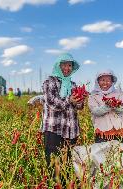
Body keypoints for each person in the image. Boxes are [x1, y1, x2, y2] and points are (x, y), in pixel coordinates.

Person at [42, 53, 86, 184]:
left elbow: (79, 106)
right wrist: (70, 99)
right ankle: (56, 185)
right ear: (58, 66)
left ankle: (67, 184)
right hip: (53, 129)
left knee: (68, 163)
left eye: (69, 65)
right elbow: (52, 102)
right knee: (54, 163)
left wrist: (80, 99)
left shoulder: (73, 85)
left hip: (71, 129)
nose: (67, 68)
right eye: (64, 65)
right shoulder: (49, 82)